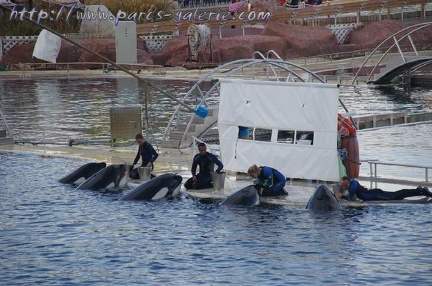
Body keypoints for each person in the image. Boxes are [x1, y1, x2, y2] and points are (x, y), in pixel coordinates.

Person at [337, 176, 432, 201]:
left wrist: (342, 197)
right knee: (398, 193)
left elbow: (350, 197)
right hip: (374, 193)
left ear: (348, 182)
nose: (344, 187)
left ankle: (422, 191)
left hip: (376, 195)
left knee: (398, 196)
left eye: (345, 185)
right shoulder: (353, 182)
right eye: (342, 185)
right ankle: (419, 190)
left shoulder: (353, 185)